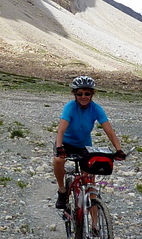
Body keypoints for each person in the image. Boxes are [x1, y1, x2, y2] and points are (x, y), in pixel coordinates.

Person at [53, 75, 126, 209]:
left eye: (87, 93)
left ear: (92, 94)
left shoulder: (96, 108)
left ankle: (94, 226)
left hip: (84, 146)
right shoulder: (70, 107)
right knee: (58, 160)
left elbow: (109, 131)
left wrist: (118, 150)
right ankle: (62, 190)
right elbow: (61, 130)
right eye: (80, 93)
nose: (83, 96)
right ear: (75, 94)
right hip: (66, 144)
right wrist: (59, 147)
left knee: (90, 185)